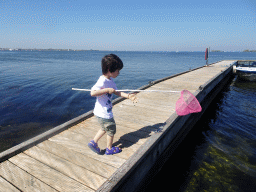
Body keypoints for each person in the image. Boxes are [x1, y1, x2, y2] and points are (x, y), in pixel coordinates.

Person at [88, 54, 137, 155]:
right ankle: (109, 149)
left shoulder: (111, 81)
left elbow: (117, 92)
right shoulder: (102, 81)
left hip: (102, 112)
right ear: (110, 70)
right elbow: (92, 93)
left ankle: (93, 142)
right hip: (104, 113)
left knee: (104, 128)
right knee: (111, 130)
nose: (119, 73)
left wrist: (128, 96)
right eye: (118, 70)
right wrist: (106, 90)